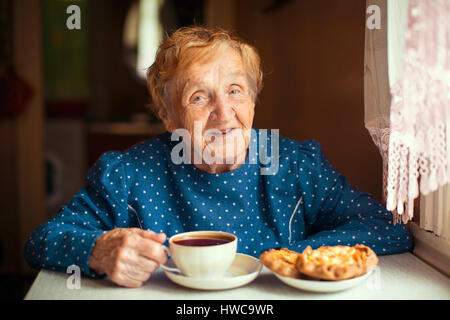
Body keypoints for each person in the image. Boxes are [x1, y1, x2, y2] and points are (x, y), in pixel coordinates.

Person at [24, 26, 413, 288]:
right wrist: (99, 250)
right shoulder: (128, 174)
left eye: (235, 91)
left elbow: (386, 227)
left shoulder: (294, 165)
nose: (224, 114)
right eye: (198, 97)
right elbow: (43, 240)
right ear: (168, 115)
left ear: (253, 99)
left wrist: (295, 258)